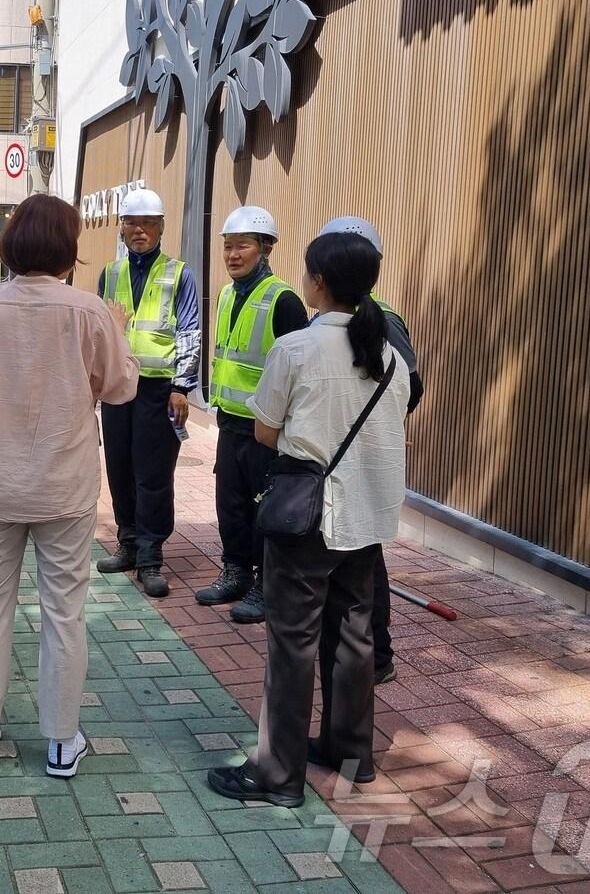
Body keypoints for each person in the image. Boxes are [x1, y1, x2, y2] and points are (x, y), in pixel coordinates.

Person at [208, 231, 409, 806]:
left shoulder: (295, 349)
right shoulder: (390, 356)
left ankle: (277, 773)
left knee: (292, 641)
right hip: (367, 516)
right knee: (354, 636)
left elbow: (266, 431)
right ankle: (351, 753)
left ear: (317, 281)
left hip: (307, 519)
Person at [0, 195, 138, 778]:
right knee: (63, 612)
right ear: (68, 248)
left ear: (10, 248)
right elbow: (121, 389)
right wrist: (119, 330)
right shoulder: (89, 311)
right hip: (64, 487)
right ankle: (60, 742)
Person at [318, 216, 425, 684]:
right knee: (351, 560)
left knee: (365, 563)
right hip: (336, 459)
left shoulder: (383, 319)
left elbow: (410, 386)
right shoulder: (323, 314)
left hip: (360, 458)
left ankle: (377, 656)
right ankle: (360, 651)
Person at [196, 207, 309, 621]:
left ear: (266, 249)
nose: (232, 254)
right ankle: (237, 572)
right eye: (227, 246)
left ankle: (267, 584)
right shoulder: (227, 295)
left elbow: (298, 371)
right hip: (229, 423)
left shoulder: (284, 300)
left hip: (267, 431)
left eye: (242, 245)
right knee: (231, 505)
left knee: (266, 509)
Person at [94, 188, 201, 598]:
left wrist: (182, 387)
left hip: (159, 390)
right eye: (132, 224)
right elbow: (102, 331)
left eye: (149, 224)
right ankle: (128, 542)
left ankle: (151, 555)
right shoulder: (111, 273)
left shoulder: (180, 274)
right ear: (121, 228)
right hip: (119, 386)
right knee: (119, 466)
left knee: (153, 472)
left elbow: (189, 330)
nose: (140, 231)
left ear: (161, 228)